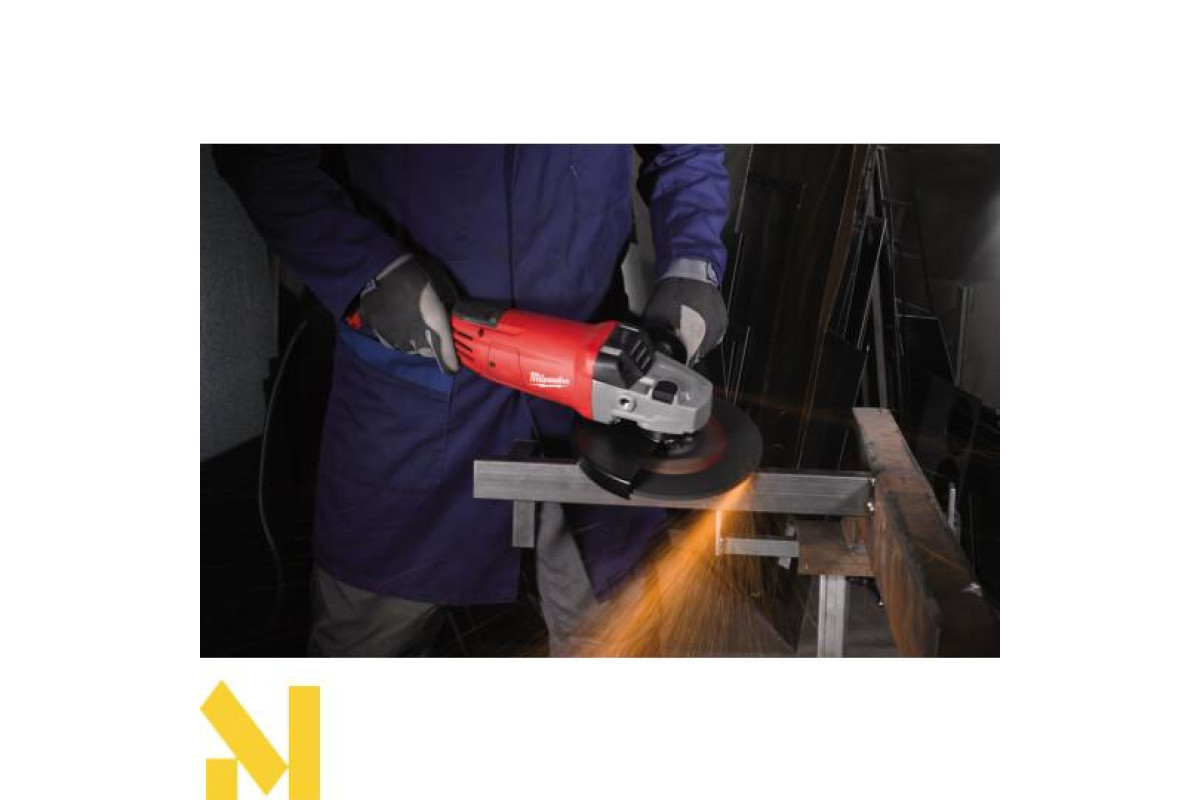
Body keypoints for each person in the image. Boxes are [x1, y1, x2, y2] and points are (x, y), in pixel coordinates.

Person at [214, 145, 730, 656]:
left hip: (595, 378)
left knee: (617, 640)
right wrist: (366, 272)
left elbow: (686, 150)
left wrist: (693, 265)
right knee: (364, 644)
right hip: (414, 381)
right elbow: (262, 157)